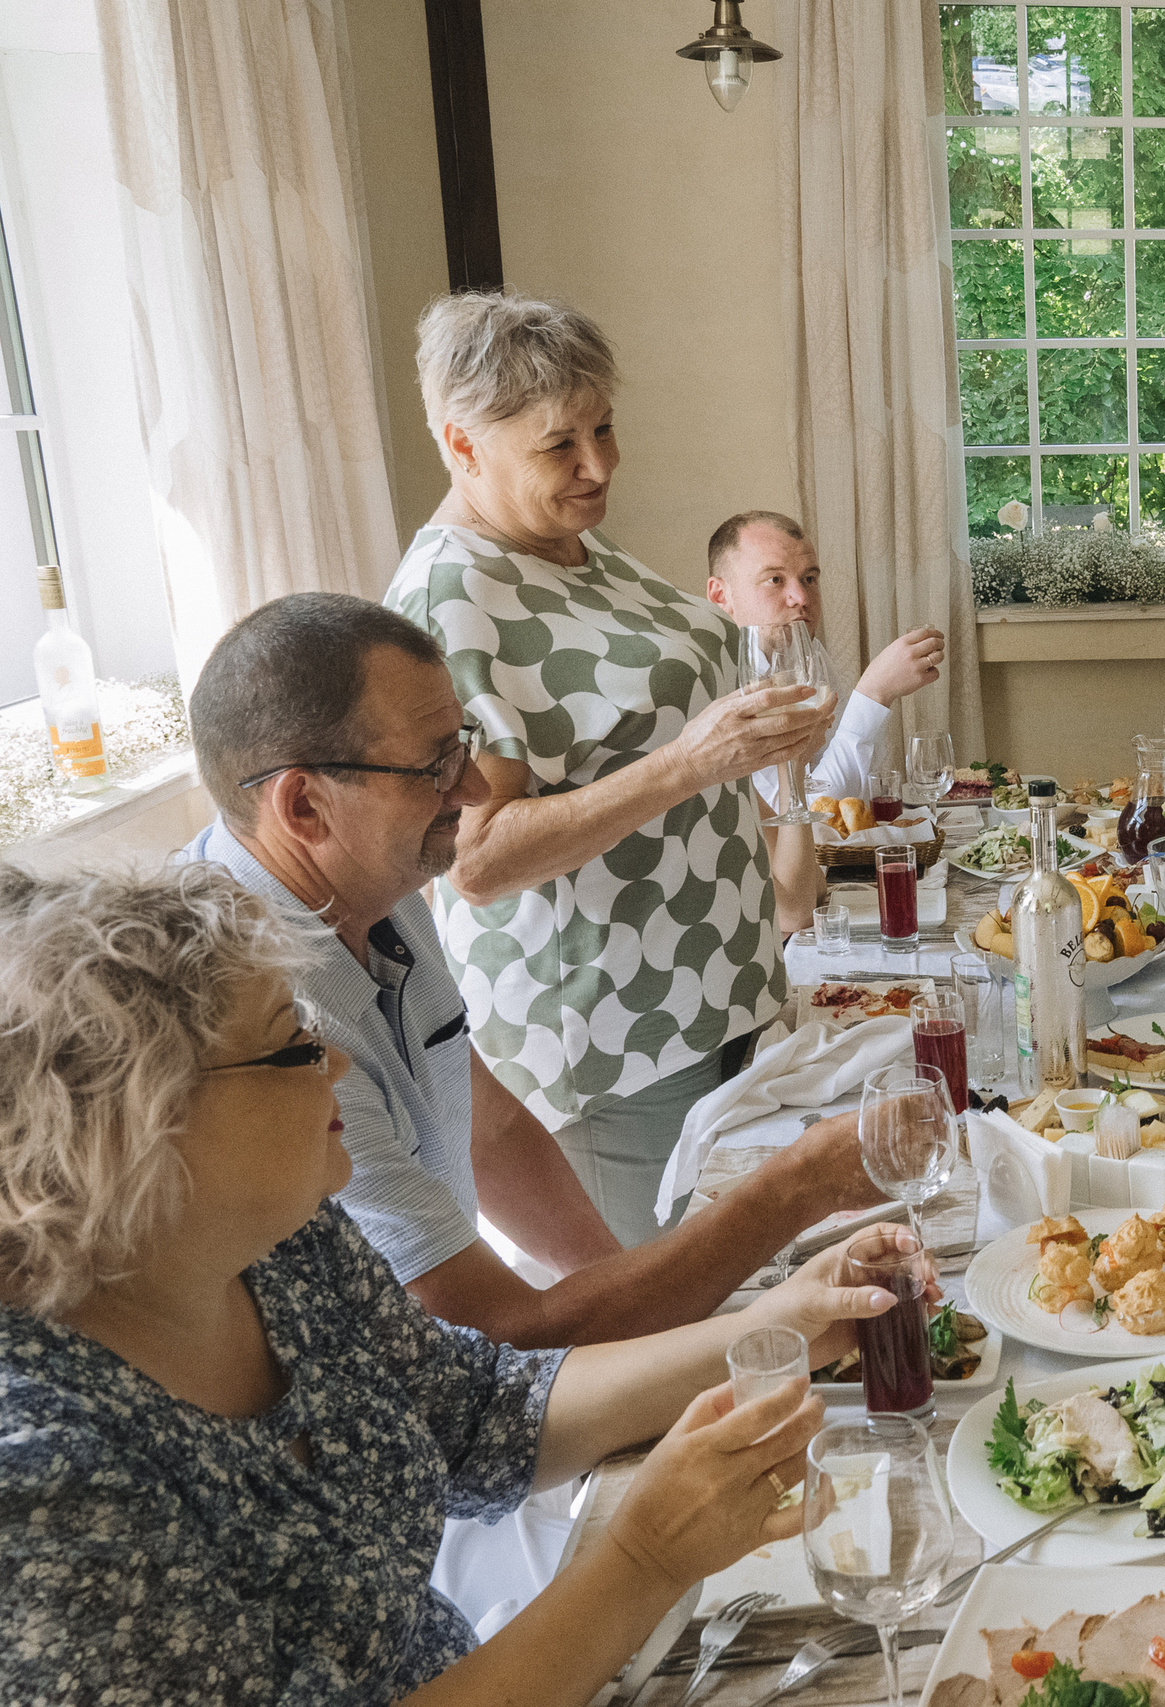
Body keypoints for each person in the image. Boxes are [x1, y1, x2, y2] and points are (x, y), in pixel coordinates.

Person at [0, 861, 928, 1704]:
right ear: (139, 1133)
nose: (338, 1063)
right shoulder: (46, 1478)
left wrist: (779, 1325)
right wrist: (643, 1556)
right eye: (292, 1045)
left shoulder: (284, 1246)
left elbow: (485, 1412)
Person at [183, 592, 894, 1343]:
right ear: (303, 808)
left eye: (462, 747)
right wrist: (797, 1187)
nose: (473, 790)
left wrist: (632, 1298)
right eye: (435, 767)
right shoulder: (262, 1016)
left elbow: (485, 1129)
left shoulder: (367, 889)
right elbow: (493, 1328)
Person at [387, 289, 834, 1248]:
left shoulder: (572, 545)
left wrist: (760, 747)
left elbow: (641, 722)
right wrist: (692, 761)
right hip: (611, 1041)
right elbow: (477, 858)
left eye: (603, 426)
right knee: (651, 1307)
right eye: (560, 444)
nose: (599, 464)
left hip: (712, 1000)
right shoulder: (452, 598)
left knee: (731, 1285)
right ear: (463, 445)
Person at [704, 508, 947, 815]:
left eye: (809, 578)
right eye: (775, 579)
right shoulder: (714, 679)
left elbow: (849, 797)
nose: (801, 597)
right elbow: (806, 816)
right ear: (721, 595)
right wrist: (873, 694)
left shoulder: (809, 653)